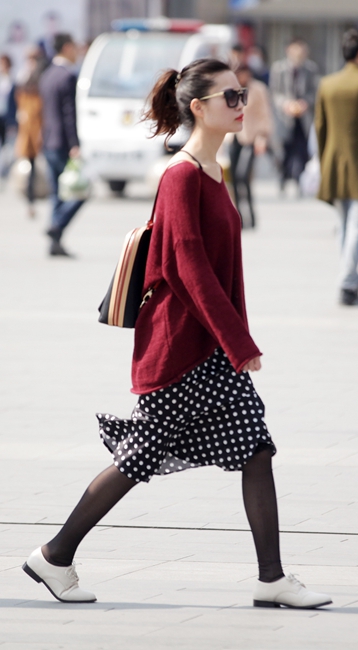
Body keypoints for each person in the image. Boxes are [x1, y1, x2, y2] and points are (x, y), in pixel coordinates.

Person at [22, 58, 332, 610]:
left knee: (255, 448)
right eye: (230, 98)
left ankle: (271, 578)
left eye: (242, 96)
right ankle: (55, 554)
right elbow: (189, 269)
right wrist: (241, 342)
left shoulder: (214, 172)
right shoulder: (182, 176)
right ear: (198, 107)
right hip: (178, 349)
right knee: (139, 457)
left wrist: (232, 341)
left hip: (207, 350)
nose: (241, 105)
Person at [315, 29, 358, 307]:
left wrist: (323, 162)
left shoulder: (327, 84)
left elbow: (320, 127)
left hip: (334, 162)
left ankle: (349, 282)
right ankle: (347, 282)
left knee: (344, 225)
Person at [39, 33, 84, 257]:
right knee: (80, 190)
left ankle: (55, 242)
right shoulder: (67, 76)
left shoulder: (47, 74)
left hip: (48, 139)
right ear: (67, 47)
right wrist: (75, 144)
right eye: (74, 47)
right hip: (63, 142)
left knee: (57, 193)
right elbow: (69, 114)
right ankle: (56, 227)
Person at [270, 38, 319, 192]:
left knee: (302, 148)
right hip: (285, 117)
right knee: (284, 149)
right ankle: (283, 177)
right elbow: (274, 92)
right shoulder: (279, 68)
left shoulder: (311, 69)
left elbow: (314, 91)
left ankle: (299, 180)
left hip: (304, 117)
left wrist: (305, 103)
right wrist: (286, 104)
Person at [229, 64, 273, 227]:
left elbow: (265, 114)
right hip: (233, 137)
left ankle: (252, 216)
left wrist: (262, 137)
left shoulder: (258, 89)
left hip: (252, 138)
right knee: (233, 179)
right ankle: (238, 216)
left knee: (243, 176)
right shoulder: (232, 90)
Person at [15, 47, 46, 217]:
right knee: (32, 164)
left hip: (38, 126)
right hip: (28, 126)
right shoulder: (24, 76)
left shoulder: (41, 76)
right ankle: (31, 200)